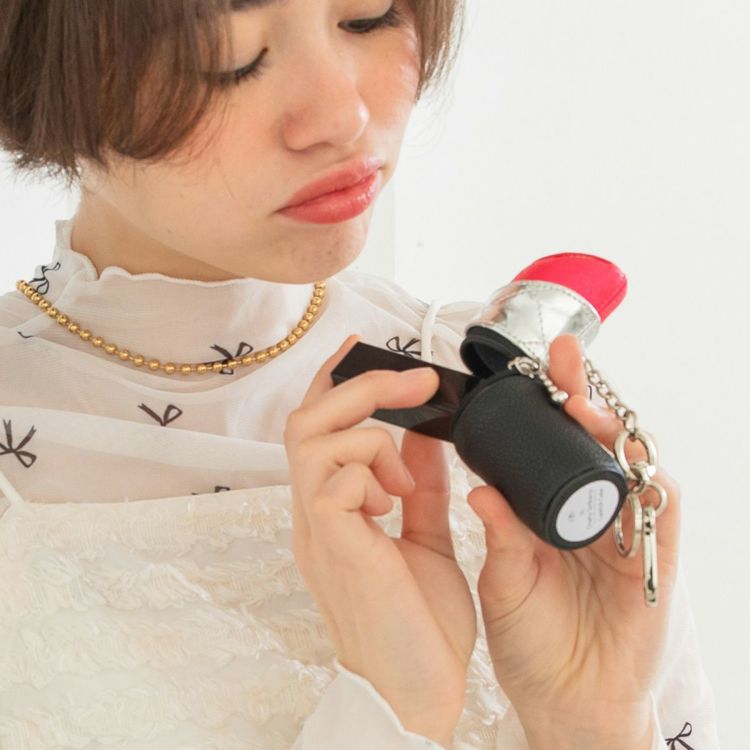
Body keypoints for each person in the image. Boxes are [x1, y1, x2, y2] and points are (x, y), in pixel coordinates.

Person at [0, 1, 719, 748]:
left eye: (369, 16)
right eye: (229, 55)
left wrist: (587, 720)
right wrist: (393, 708)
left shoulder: (487, 389)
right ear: (41, 63)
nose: (343, 117)